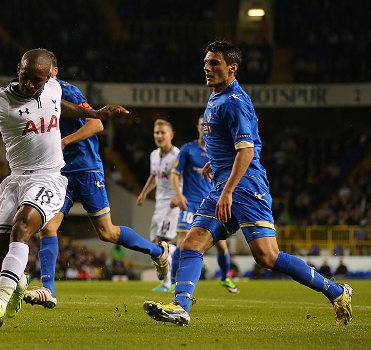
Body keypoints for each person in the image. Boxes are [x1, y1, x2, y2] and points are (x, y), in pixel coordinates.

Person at [143, 40, 352, 327]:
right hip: (223, 184)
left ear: (232, 68)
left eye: (214, 63)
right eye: (205, 62)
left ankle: (337, 291)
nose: (207, 67)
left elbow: (247, 150)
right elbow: (231, 145)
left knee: (267, 257)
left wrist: (228, 189)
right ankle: (181, 307)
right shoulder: (217, 97)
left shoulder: (234, 102)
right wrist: (214, 162)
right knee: (192, 242)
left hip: (245, 187)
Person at [0, 48, 129, 328]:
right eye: (25, 78)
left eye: (36, 81)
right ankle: (19, 288)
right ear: (19, 69)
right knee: (2, 256)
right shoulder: (0, 100)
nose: (29, 85)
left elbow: (61, 105)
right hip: (15, 180)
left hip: (49, 177)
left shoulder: (51, 87)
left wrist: (95, 113)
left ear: (48, 76)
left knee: (22, 226)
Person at [23, 52, 170, 309]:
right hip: (60, 173)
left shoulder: (68, 92)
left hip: (87, 169)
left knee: (107, 233)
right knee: (48, 227)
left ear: (54, 72)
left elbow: (97, 125)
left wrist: (66, 141)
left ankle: (159, 252)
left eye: (46, 72)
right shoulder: (37, 99)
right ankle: (48, 289)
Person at [169, 115, 239, 294]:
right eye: (201, 125)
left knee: (221, 245)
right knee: (182, 240)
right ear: (198, 127)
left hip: (211, 203)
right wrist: (179, 195)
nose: (204, 128)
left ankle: (225, 278)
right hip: (190, 203)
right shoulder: (188, 150)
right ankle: (173, 281)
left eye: (206, 125)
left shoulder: (216, 150)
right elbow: (175, 173)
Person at [137, 119, 179, 292]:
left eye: (163, 132)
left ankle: (167, 283)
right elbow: (154, 176)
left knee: (161, 243)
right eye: (157, 133)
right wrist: (144, 193)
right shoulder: (154, 155)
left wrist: (179, 196)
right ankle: (182, 254)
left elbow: (186, 178)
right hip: (160, 203)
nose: (159, 136)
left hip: (173, 203)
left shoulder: (178, 155)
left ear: (171, 135)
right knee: (155, 244)